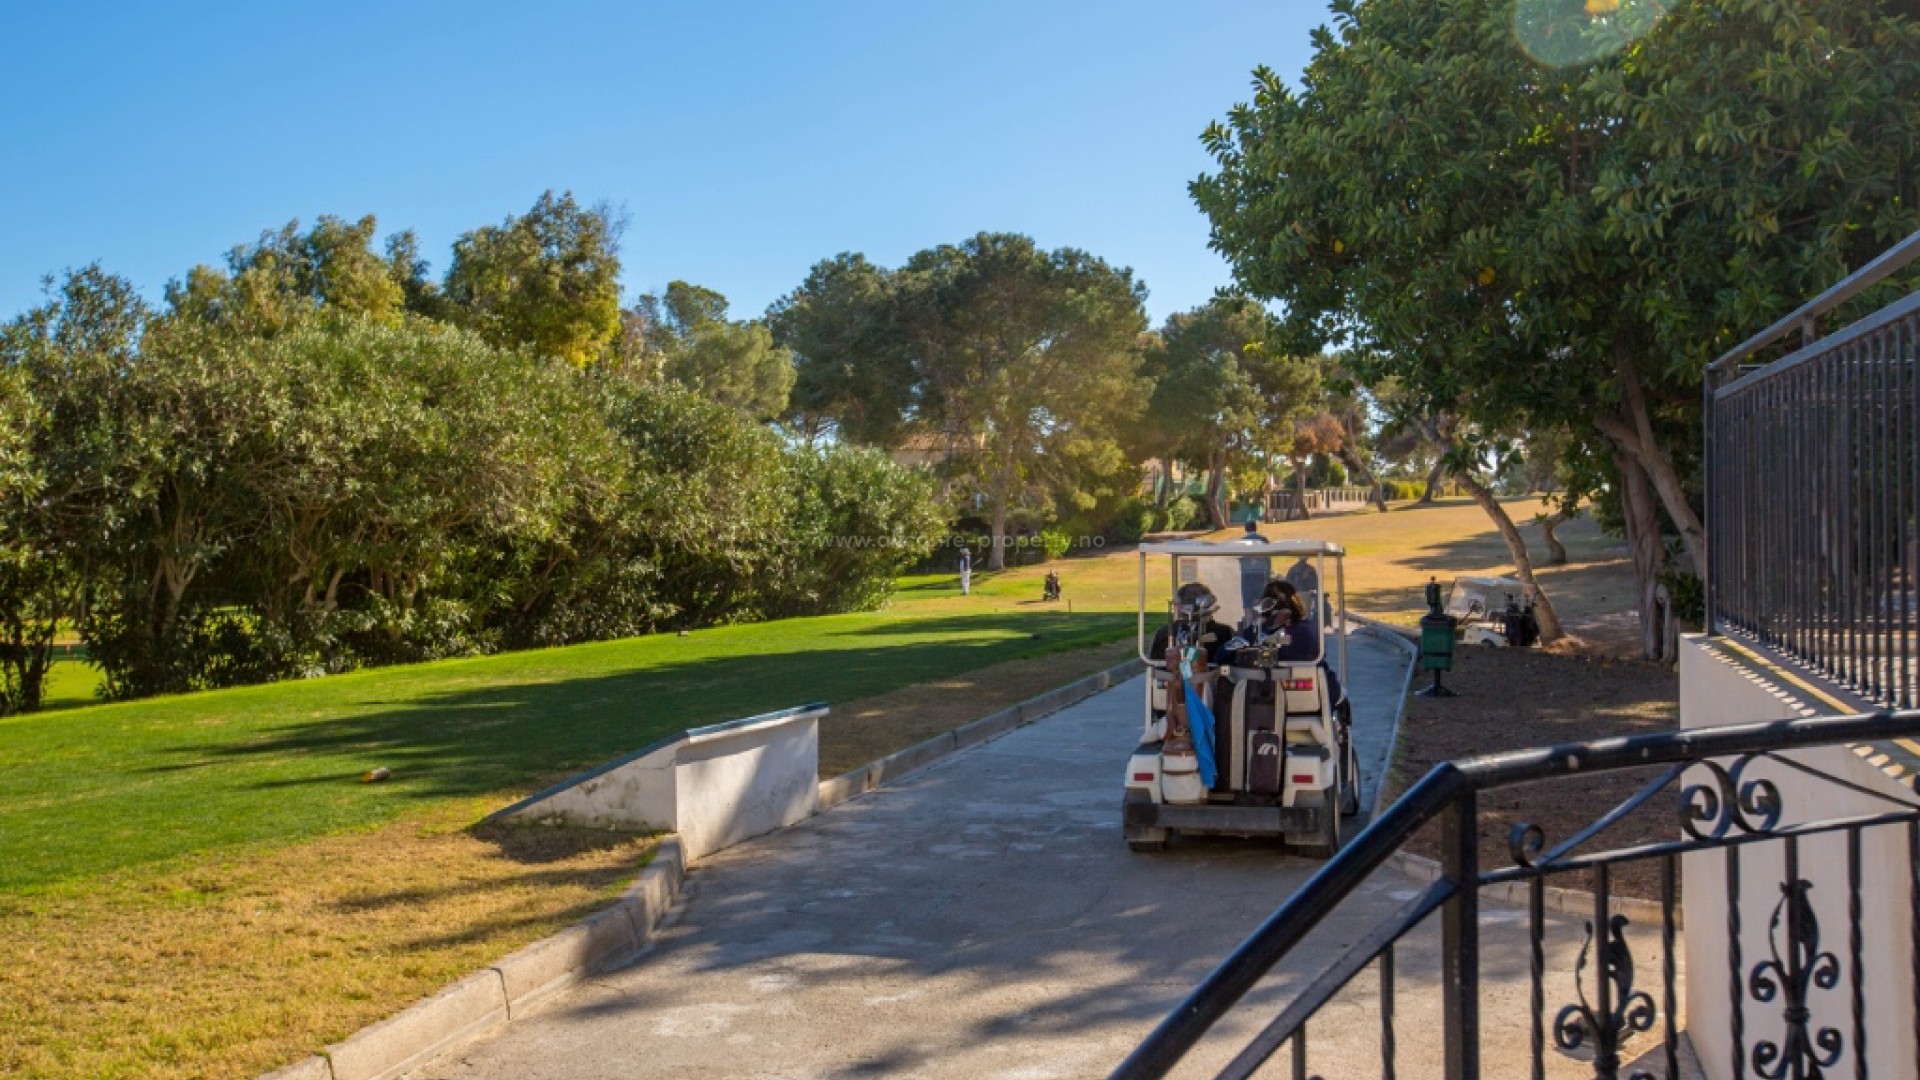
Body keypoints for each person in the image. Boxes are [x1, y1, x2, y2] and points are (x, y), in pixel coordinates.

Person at [1258, 579, 1345, 707]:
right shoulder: (1260, 630)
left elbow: (1313, 654)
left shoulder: (1302, 631)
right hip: (1271, 697)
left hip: (1303, 693)